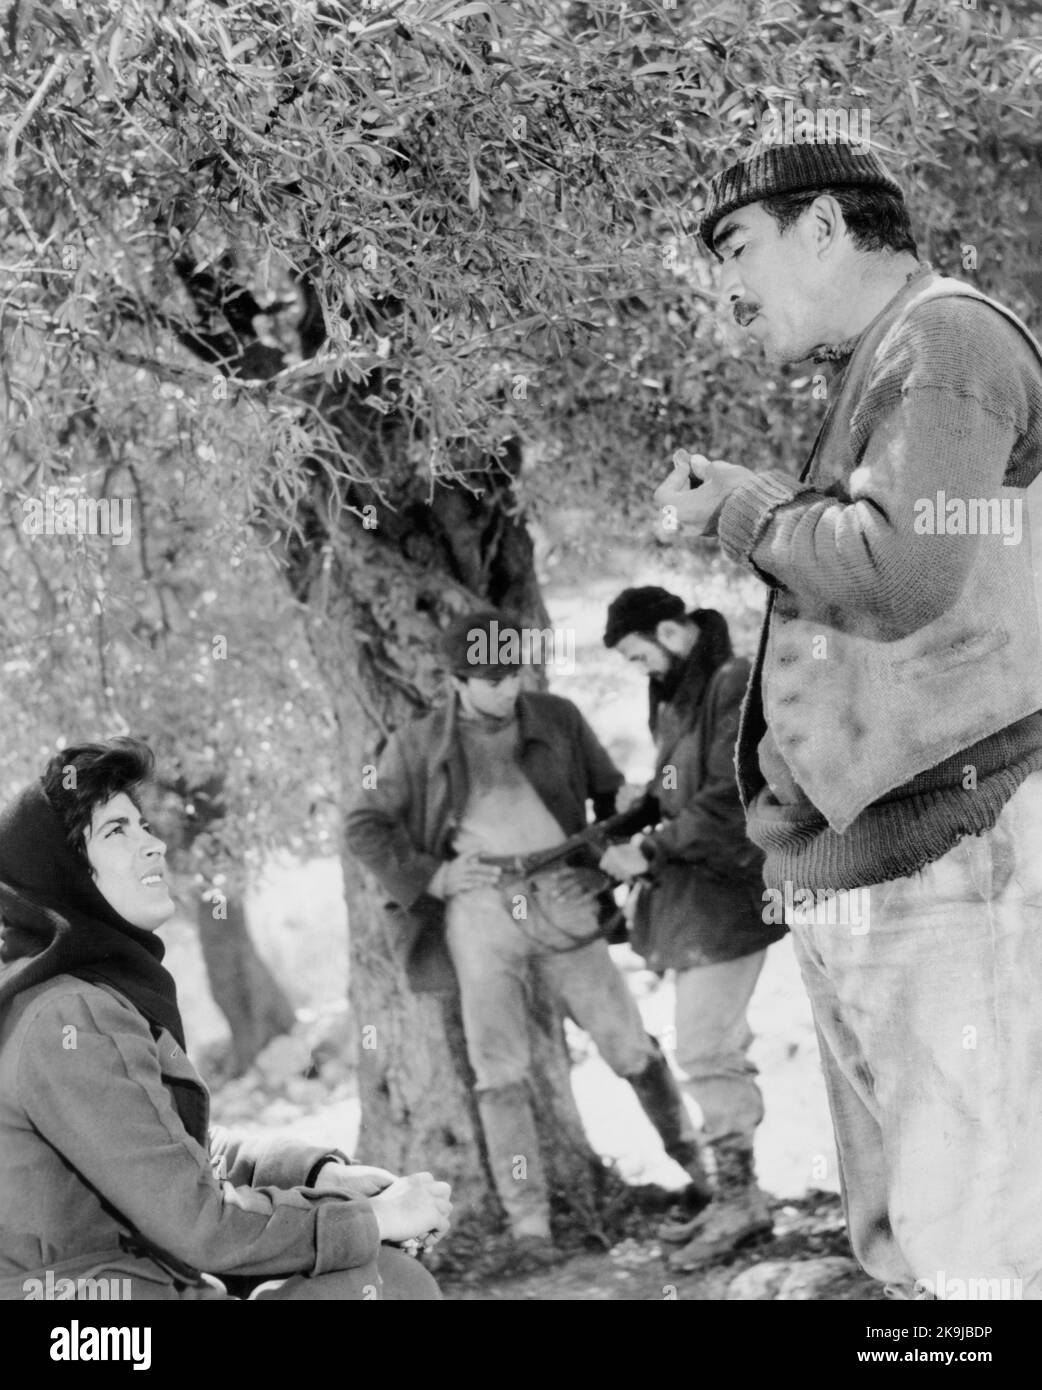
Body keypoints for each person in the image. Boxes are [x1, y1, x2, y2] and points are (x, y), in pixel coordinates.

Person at [654, 135, 1042, 1298]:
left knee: (974, 1238)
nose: (725, 289)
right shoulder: (889, 358)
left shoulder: (945, 336)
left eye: (736, 246)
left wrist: (744, 507)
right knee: (907, 1241)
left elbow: (896, 571)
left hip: (944, 850)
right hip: (877, 864)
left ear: (823, 226)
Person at [0, 737, 450, 1301]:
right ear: (61, 873)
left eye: (143, 826)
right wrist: (373, 1219)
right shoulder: (69, 1017)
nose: (154, 845)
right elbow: (199, 1224)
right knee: (388, 1284)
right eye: (117, 831)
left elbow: (169, 1149)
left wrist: (315, 1176)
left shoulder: (71, 998)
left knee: (376, 1277)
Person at [345, 608, 713, 1271]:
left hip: (563, 898)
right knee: (500, 1076)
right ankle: (530, 1227)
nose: (506, 689)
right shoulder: (417, 744)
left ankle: (705, 1175)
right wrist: (434, 875)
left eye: (513, 674)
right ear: (457, 680)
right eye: (490, 679)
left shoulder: (558, 718)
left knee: (629, 1044)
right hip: (479, 914)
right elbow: (364, 826)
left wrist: (599, 866)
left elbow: (612, 799)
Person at [600, 588, 785, 1270]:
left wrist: (646, 849)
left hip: (728, 898)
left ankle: (741, 1203)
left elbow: (730, 796)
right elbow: (676, 788)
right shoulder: (684, 693)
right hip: (697, 904)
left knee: (706, 1048)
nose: (639, 668)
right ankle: (737, 1200)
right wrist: (632, 817)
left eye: (638, 652)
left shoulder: (731, 682)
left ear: (672, 631)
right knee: (710, 1047)